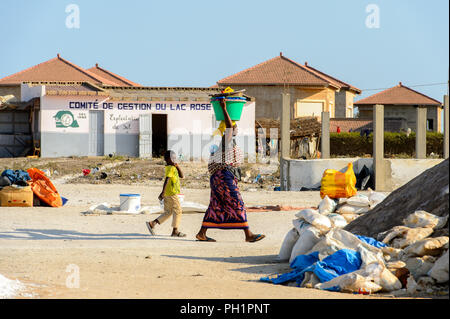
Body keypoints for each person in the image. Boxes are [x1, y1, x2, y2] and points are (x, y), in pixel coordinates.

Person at [195, 98, 265, 243]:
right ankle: (248, 234)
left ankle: (202, 233)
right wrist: (225, 109)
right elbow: (228, 127)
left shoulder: (228, 142)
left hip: (219, 177)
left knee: (216, 204)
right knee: (237, 202)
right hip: (223, 177)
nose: (237, 129)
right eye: (235, 127)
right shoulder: (226, 140)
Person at [146, 150, 186, 237]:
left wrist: (177, 166)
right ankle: (175, 231)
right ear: (168, 159)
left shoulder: (172, 167)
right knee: (178, 211)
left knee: (169, 212)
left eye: (175, 158)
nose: (175, 160)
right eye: (173, 158)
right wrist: (162, 192)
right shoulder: (170, 168)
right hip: (171, 193)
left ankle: (152, 223)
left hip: (169, 193)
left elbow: (182, 175)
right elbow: (167, 180)